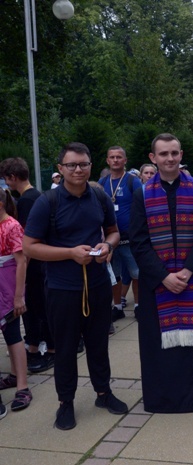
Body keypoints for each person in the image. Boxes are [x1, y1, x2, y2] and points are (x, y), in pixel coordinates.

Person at [23, 142, 127, 430]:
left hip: (97, 284)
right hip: (62, 288)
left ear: (91, 166)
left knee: (99, 344)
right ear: (61, 169)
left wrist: (107, 246)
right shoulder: (48, 202)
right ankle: (65, 403)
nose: (78, 170)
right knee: (66, 349)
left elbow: (114, 232)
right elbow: (29, 247)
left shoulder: (99, 196)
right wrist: (70, 253)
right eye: (71, 165)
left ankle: (103, 393)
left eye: (83, 164)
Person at [129, 133, 193, 413]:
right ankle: (169, 399)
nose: (169, 158)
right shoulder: (142, 194)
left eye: (174, 153)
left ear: (181, 154)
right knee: (163, 349)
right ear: (153, 158)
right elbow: (138, 242)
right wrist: (164, 276)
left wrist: (187, 272)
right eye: (163, 154)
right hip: (158, 282)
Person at [0, 157, 55, 373]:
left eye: (6, 179)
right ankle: (36, 346)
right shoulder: (34, 196)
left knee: (37, 308)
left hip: (33, 265)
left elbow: (26, 241)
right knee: (38, 307)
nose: (7, 184)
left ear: (13, 177)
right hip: (37, 263)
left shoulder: (26, 201)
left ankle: (49, 350)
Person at [98, 147, 142, 321]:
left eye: (119, 157)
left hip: (129, 237)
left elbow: (140, 207)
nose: (115, 160)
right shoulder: (102, 182)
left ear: (125, 160)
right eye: (112, 157)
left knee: (136, 273)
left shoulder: (133, 181)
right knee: (113, 275)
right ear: (107, 160)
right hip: (109, 238)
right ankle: (117, 306)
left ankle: (139, 305)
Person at [0, 188, 32, 412]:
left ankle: (23, 385)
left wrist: (19, 296)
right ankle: (13, 375)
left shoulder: (11, 226)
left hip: (8, 285)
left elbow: (22, 260)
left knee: (12, 333)